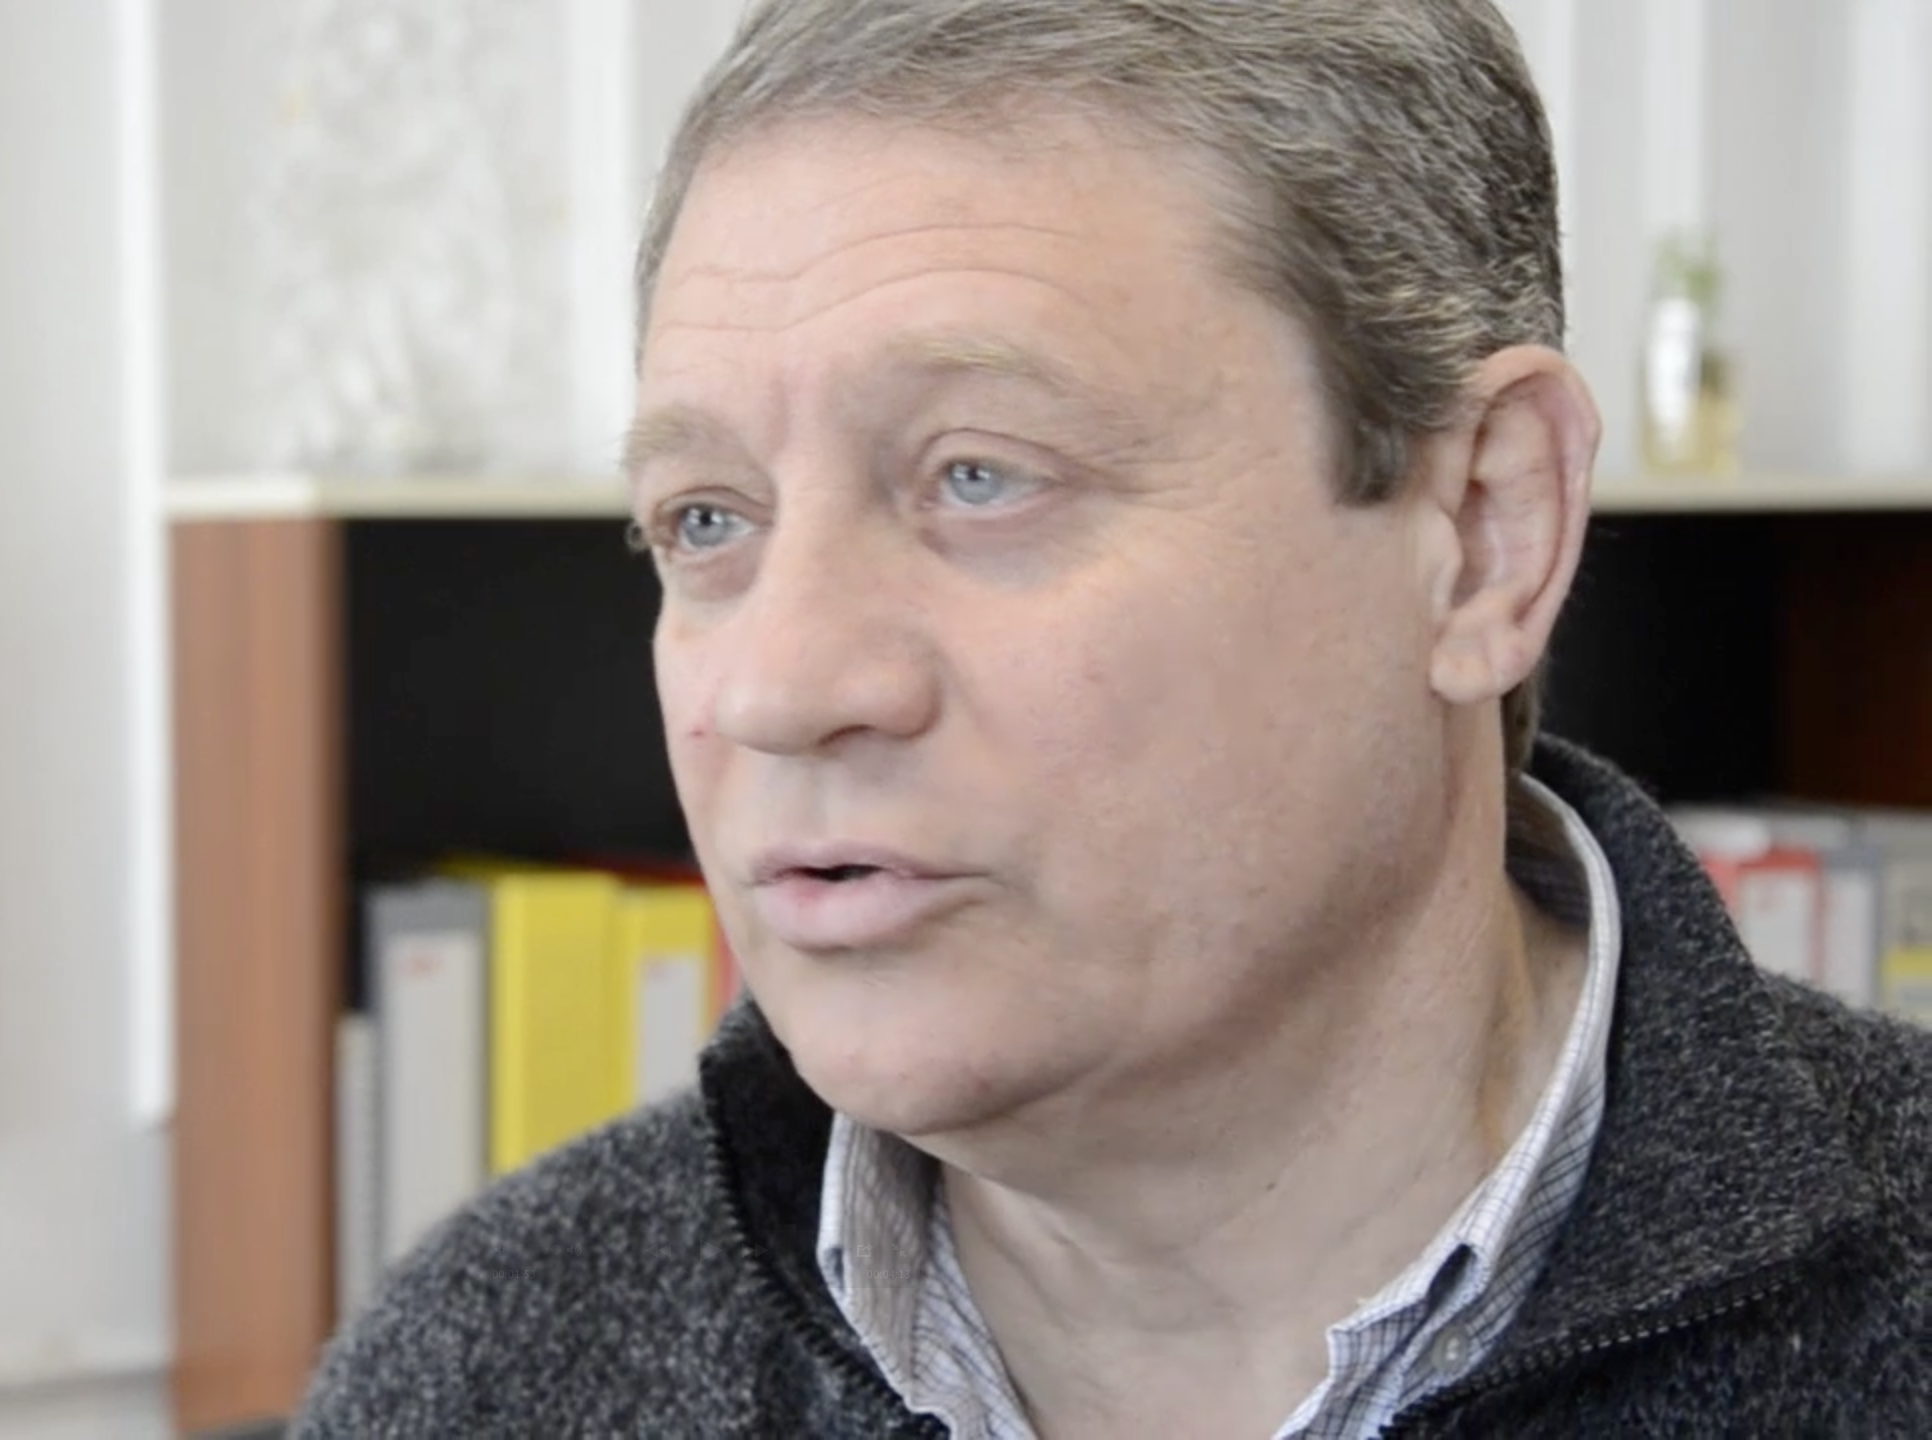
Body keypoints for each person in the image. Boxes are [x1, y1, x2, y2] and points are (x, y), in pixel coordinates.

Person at [297, 1, 1932, 1434]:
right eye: (706, 518)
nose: (779, 688)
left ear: (1483, 531)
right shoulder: (485, 1373)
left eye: (979, 477)